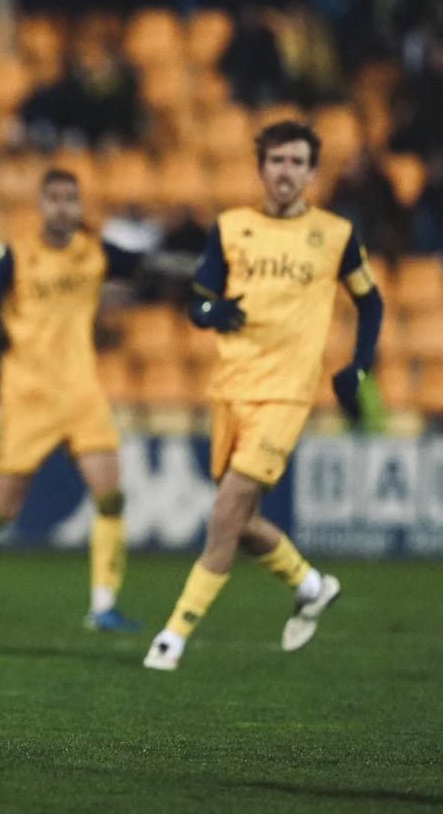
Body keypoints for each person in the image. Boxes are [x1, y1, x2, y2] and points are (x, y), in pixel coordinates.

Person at [144, 121, 383, 672]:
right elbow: (196, 303)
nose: (287, 171)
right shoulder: (231, 228)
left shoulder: (336, 234)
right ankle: (311, 583)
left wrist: (359, 366)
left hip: (287, 396)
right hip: (231, 390)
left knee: (226, 511)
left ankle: (172, 637)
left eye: (298, 162)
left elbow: (372, 304)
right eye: (278, 160)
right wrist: (214, 313)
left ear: (312, 172)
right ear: (261, 167)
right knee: (241, 519)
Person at [0, 168, 172, 631]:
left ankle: (103, 605)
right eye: (55, 198)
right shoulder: (15, 255)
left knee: (110, 496)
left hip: (82, 392)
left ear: (80, 205)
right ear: (41, 205)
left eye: (71, 198)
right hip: (28, 395)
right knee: (3, 508)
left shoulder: (97, 252)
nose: (63, 206)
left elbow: (151, 268)